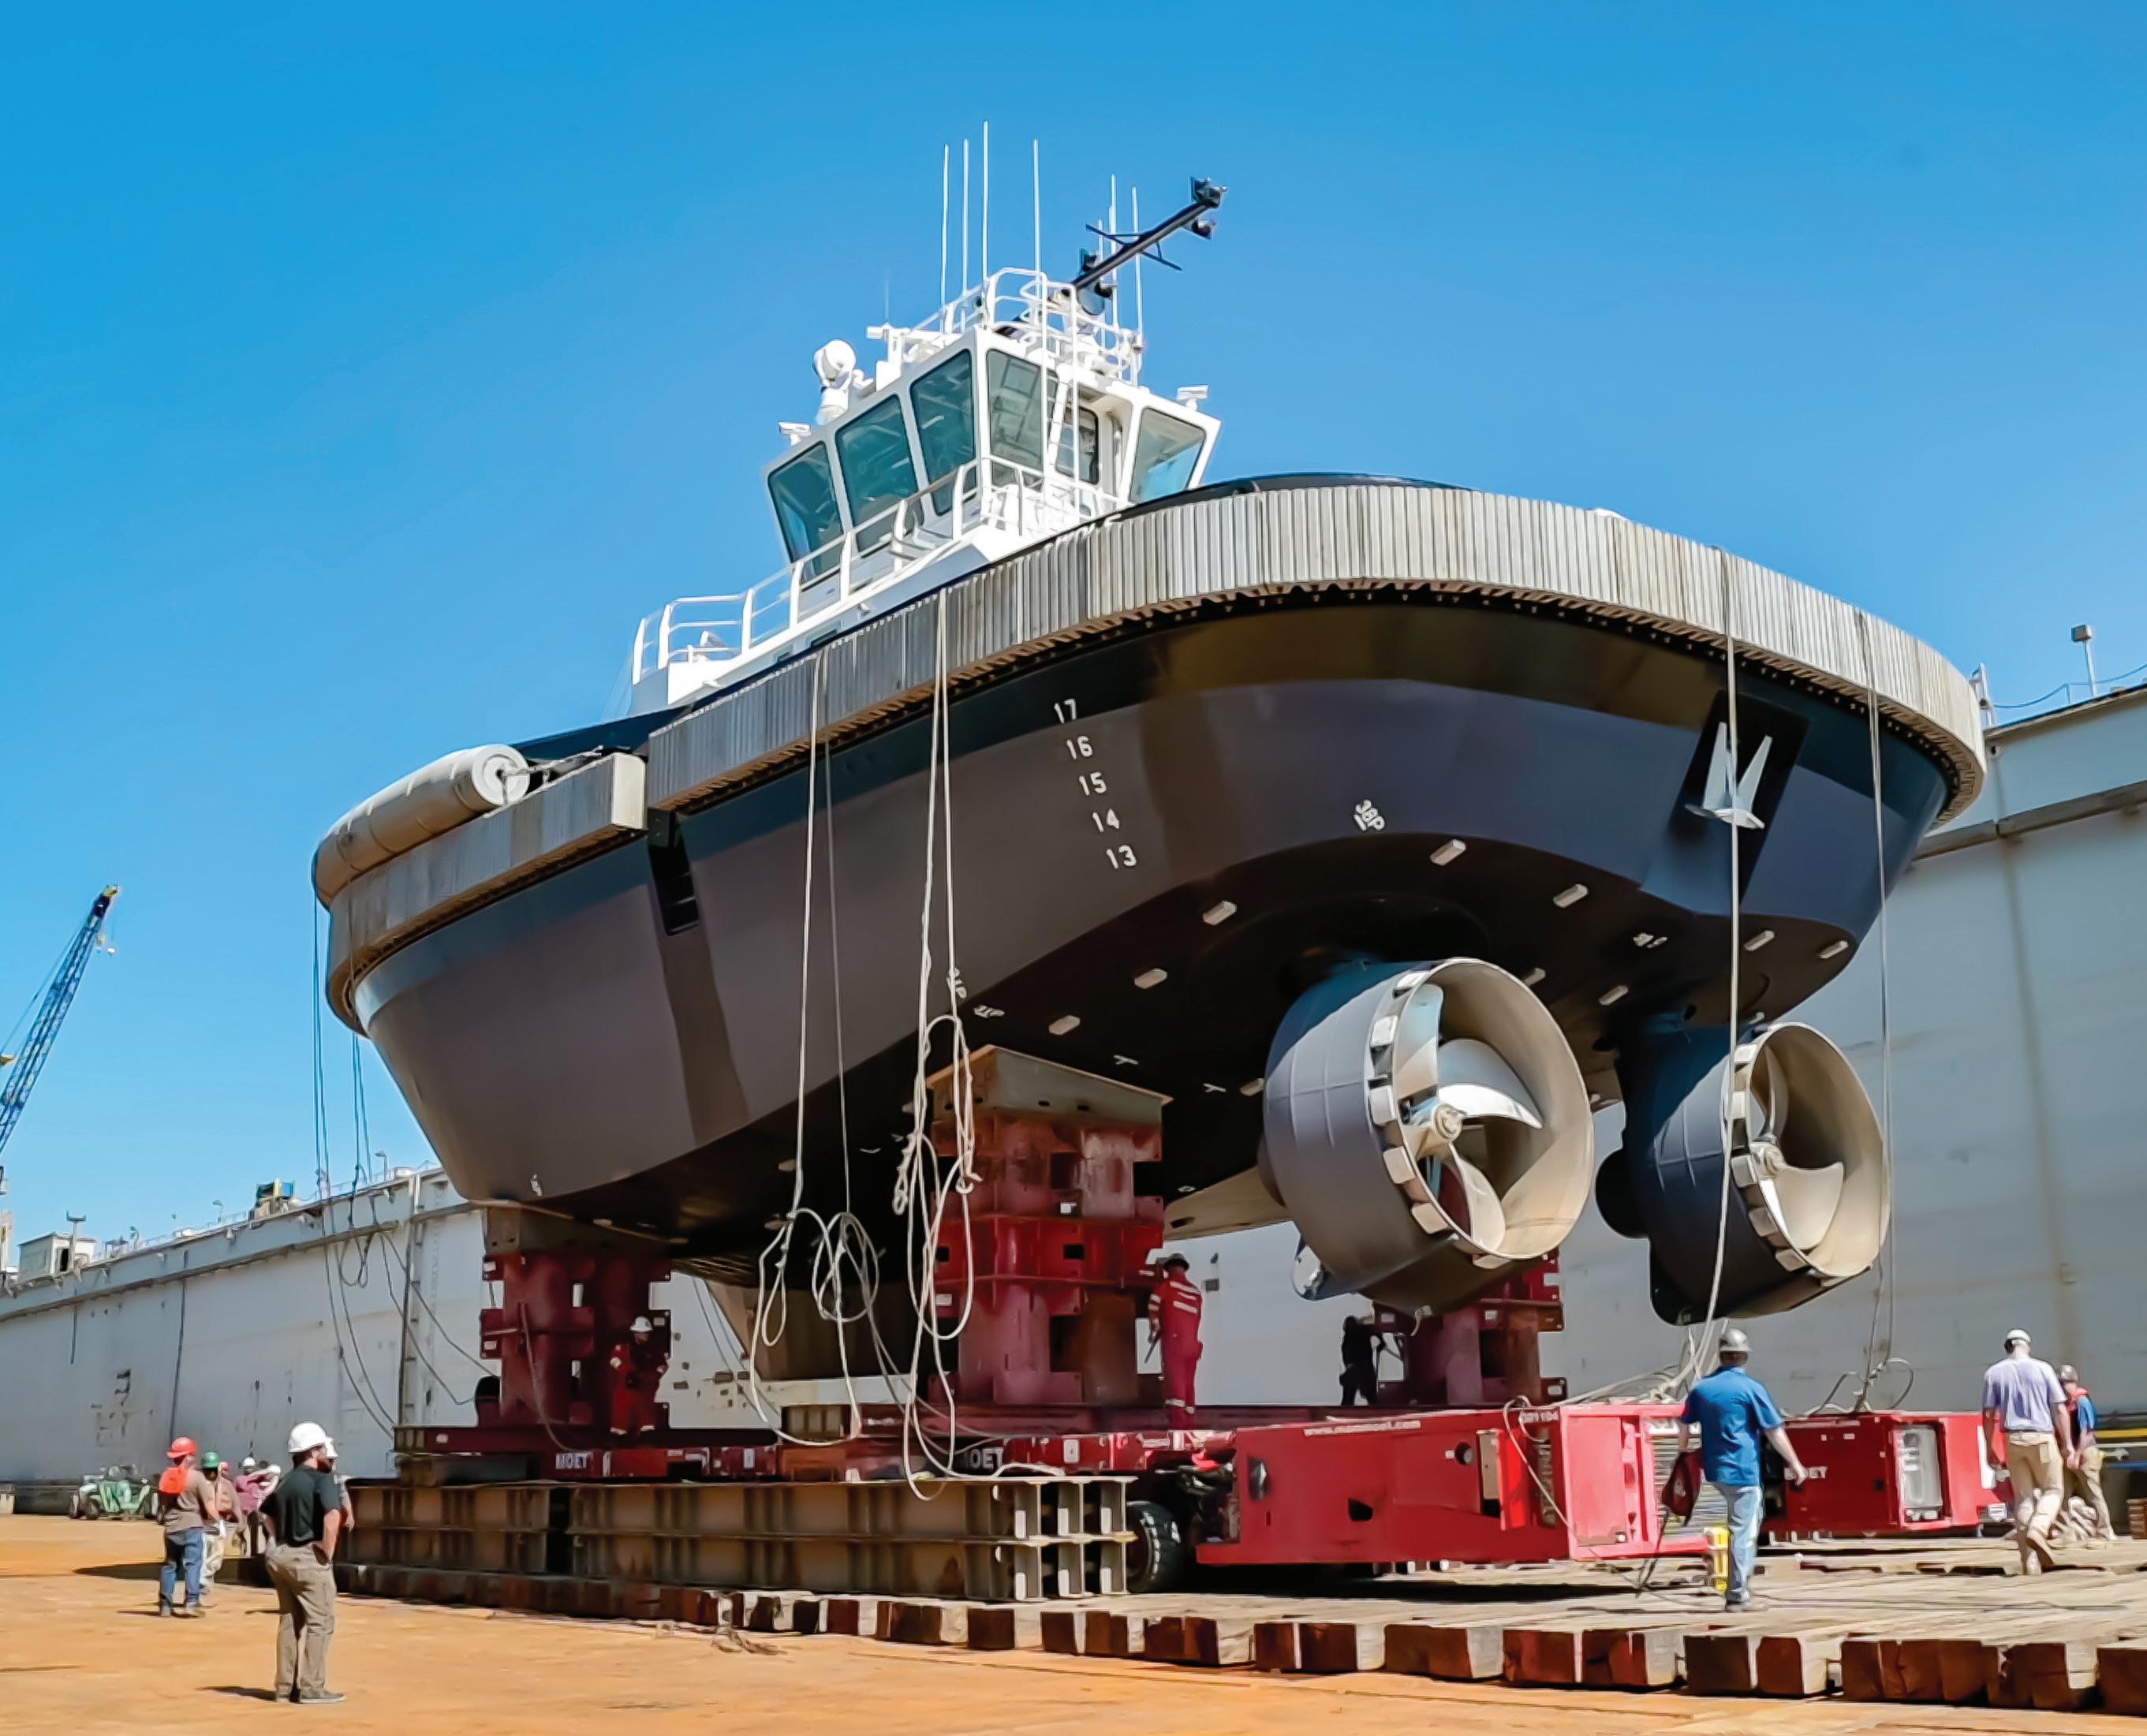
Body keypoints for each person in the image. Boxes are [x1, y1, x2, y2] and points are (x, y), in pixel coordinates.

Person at [1675, 1328, 1808, 1610]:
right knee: (1743, 1532)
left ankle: (1732, 1583)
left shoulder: (1701, 1389)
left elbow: (1684, 1426)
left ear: (1721, 1356)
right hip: (1743, 1471)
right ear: (1745, 1357)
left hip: (1714, 1472)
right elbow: (1774, 1431)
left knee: (1740, 1524)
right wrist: (1795, 1463)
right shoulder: (1751, 1389)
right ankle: (1737, 1595)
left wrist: (1684, 1450)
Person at [260, 1422, 345, 1706]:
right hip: (307, 1558)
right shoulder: (322, 1479)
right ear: (313, 1451)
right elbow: (333, 1516)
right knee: (321, 1622)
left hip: (281, 1556)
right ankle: (312, 1688)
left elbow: (265, 1515)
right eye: (322, 1448)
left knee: (289, 1621)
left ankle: (284, 1688)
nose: (326, 1453)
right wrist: (326, 1552)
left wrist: (277, 1540)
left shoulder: (285, 1481)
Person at [1983, 1328, 2074, 1574]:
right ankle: (2039, 1528)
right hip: (2041, 1437)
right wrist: (2067, 1444)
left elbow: (1989, 1415)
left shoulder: (1994, 1373)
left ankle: (2029, 1562)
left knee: (2023, 1498)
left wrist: (1989, 1449)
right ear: (2027, 1346)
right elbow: (2060, 1409)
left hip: (2012, 1440)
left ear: (2007, 1347)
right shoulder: (2043, 1369)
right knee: (2053, 1489)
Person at [155, 1435, 215, 1616]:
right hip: (192, 1527)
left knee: (170, 1566)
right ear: (187, 1456)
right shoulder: (196, 1477)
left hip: (171, 1528)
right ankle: (191, 1602)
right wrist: (217, 1521)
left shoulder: (166, 1477)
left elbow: (162, 1506)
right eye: (192, 1455)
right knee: (192, 1564)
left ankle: (165, 1605)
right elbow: (209, 1505)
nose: (194, 1458)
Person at [2059, 1364, 2117, 1543]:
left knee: (2094, 1493)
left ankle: (2105, 1531)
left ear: (2074, 1383)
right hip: (2069, 1455)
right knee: (2061, 1494)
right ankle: (2065, 1531)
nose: (2064, 1387)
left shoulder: (2082, 1402)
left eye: (2066, 1383)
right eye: (2061, 1383)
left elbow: (2086, 1432)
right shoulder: (2064, 1405)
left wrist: (2077, 1455)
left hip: (2086, 1453)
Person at [1147, 1253, 1204, 1420]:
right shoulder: (1196, 1291)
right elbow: (1196, 1318)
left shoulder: (1167, 1285)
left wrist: (1155, 1327)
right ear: (1184, 1268)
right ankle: (1190, 1420)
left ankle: (1178, 1423)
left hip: (1175, 1343)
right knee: (1188, 1383)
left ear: (1169, 1269)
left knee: (1175, 1384)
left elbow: (1153, 1305)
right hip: (1193, 1345)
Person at [603, 1314, 668, 1435]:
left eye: (648, 1333)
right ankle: (620, 1432)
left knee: (646, 1409)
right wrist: (627, 1371)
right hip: (626, 1384)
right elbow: (614, 1360)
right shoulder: (623, 1348)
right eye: (644, 1333)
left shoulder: (653, 1349)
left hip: (646, 1386)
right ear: (636, 1334)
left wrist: (655, 1375)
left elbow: (662, 1365)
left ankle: (647, 1431)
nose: (646, 1335)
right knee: (622, 1406)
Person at [196, 1451, 237, 1606]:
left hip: (214, 1525)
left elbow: (232, 1503)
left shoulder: (223, 1484)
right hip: (203, 1525)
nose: (211, 1473)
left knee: (215, 1559)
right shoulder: (200, 1484)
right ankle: (199, 1588)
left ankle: (202, 1583)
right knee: (202, 1559)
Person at [1339, 1312, 1381, 1406]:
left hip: (1354, 1369)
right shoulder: (1364, 1332)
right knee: (1372, 1398)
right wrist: (1381, 1344)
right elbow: (1375, 1329)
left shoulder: (1348, 1337)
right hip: (1367, 1368)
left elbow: (1347, 1354)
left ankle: (1345, 1412)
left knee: (1348, 1399)